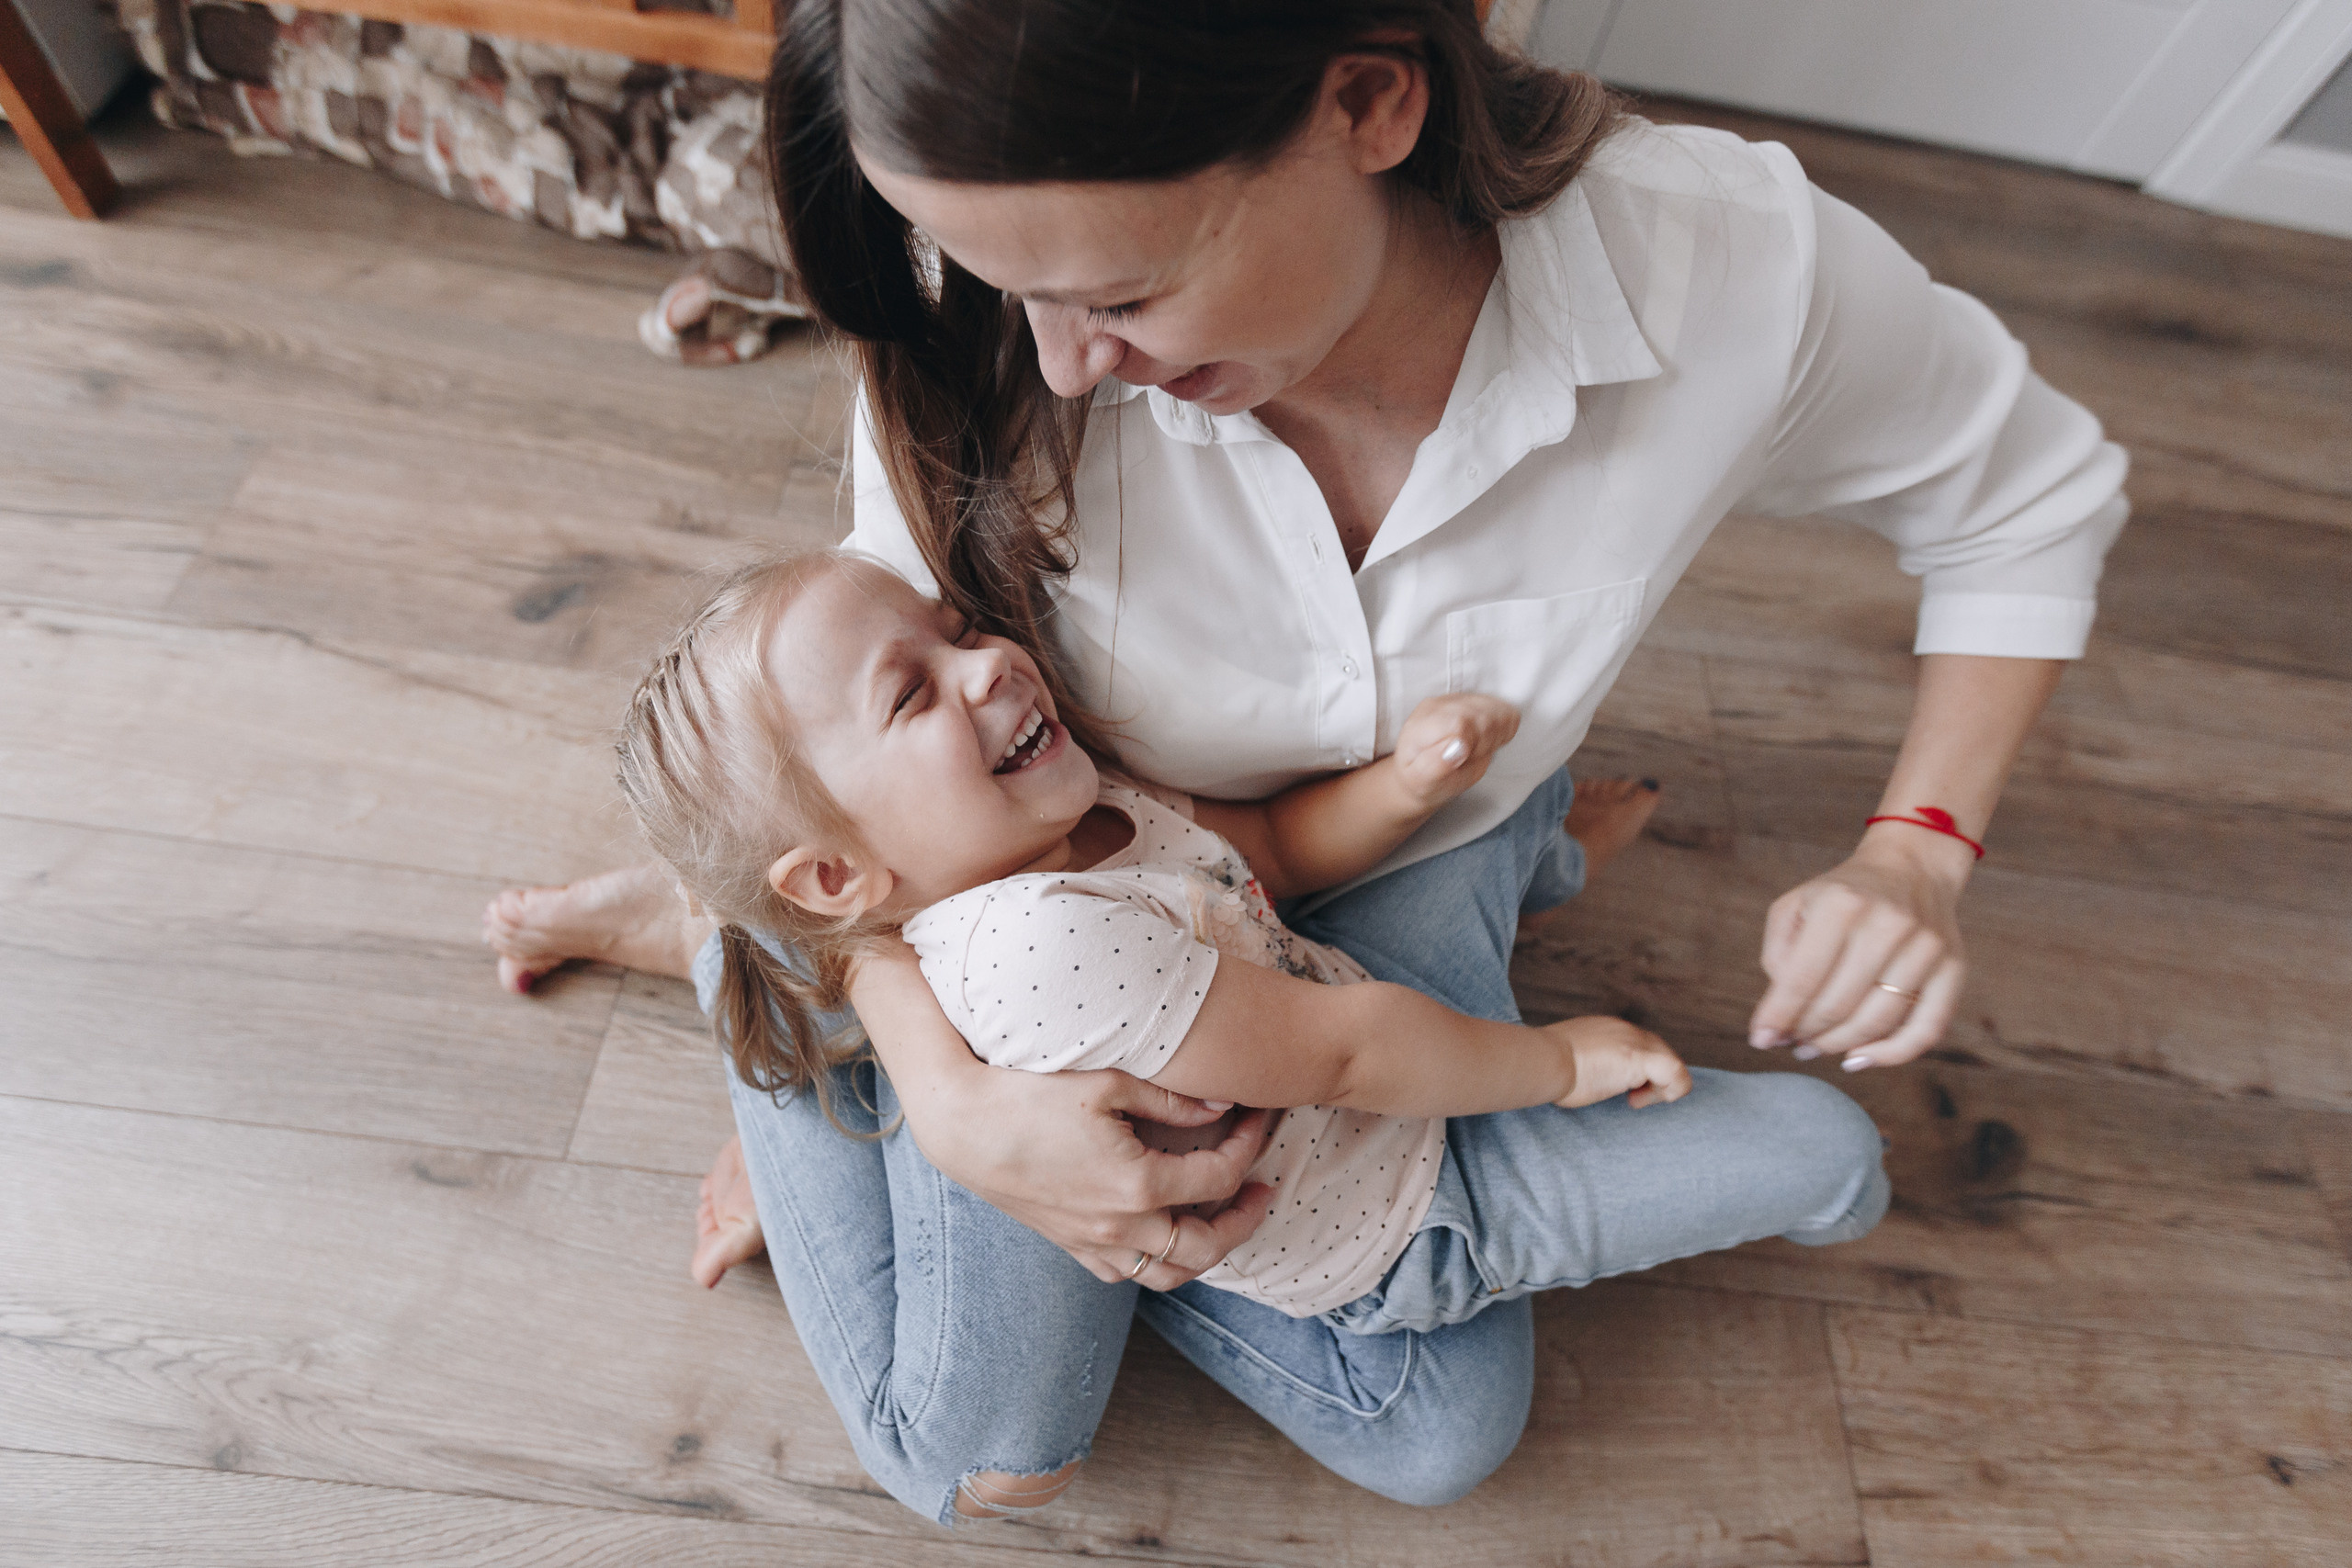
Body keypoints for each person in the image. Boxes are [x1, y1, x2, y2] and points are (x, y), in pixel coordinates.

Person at [484, 0, 2128, 1525]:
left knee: (1437, 1429)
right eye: (1006, 287)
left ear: (1366, 98)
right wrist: (946, 1091)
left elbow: (2026, 498)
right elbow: (878, 786)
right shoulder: (978, 295)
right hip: (1029, 905)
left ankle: (775, 992)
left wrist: (1917, 843)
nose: (1055, 363)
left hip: (1366, 849)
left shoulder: (1727, 269)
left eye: (1122, 296)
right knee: (998, 1449)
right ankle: (748, 963)